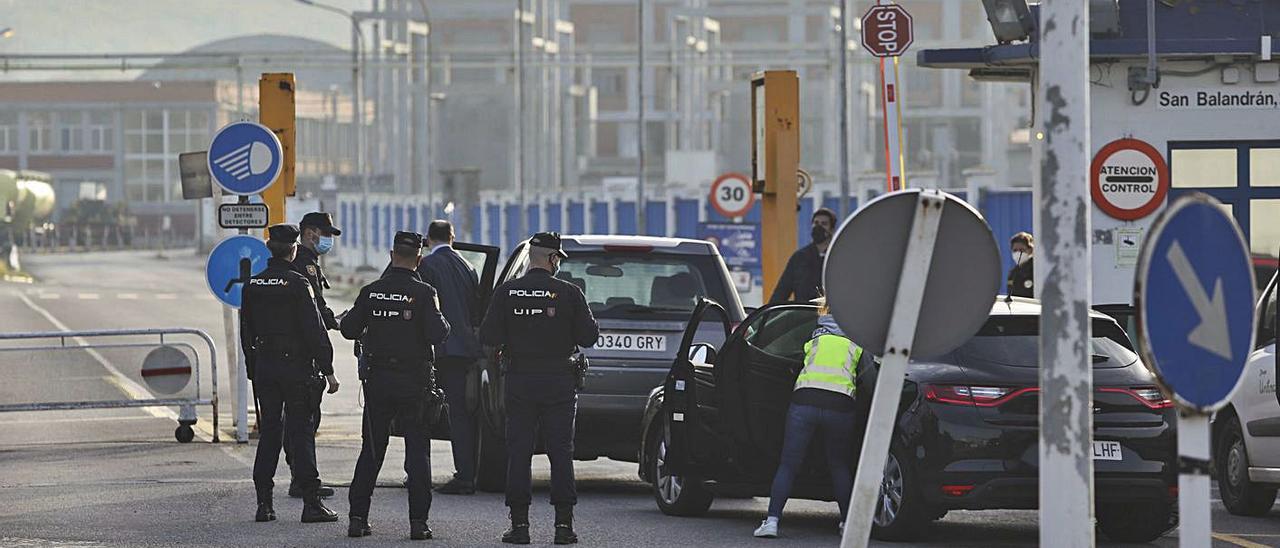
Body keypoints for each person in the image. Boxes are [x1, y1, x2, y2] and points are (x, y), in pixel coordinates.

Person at [479, 232, 600, 545]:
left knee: (518, 452)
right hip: (559, 382)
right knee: (561, 453)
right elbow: (588, 337)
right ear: (552, 259)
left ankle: (519, 527)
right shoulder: (570, 292)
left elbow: (488, 335)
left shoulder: (507, 292)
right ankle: (563, 527)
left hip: (519, 380)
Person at [341, 231, 451, 540]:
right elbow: (437, 334)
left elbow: (349, 329)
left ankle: (357, 519)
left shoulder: (371, 291)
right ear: (419, 258)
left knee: (372, 451)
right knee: (417, 453)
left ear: (392, 255)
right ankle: (418, 524)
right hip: (414, 384)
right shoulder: (425, 292)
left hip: (378, 382)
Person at [240, 223, 339, 524]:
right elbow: (314, 330)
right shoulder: (298, 284)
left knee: (270, 432)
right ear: (294, 249)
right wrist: (329, 369)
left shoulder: (252, 285)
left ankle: (264, 505)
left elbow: (246, 333)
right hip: (296, 368)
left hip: (266, 367)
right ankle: (311, 504)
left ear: (270, 249)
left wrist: (253, 368)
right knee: (301, 432)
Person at [754, 298, 874, 539]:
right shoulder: (857, 343)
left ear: (825, 313)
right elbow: (869, 382)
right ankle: (846, 524)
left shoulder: (814, 338)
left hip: (804, 404)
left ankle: (772, 522)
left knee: (788, 464)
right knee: (838, 465)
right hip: (840, 407)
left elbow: (795, 366)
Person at [417, 220, 485, 496]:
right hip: (464, 351)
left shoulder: (427, 267)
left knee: (421, 412)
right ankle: (466, 473)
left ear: (428, 239)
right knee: (461, 415)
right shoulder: (468, 267)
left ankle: (420, 474)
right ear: (452, 237)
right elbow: (475, 309)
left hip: (437, 351)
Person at [283, 211, 342, 499]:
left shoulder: (299, 263)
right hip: (303, 354)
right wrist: (335, 323)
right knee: (305, 419)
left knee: (292, 420)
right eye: (325, 233)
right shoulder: (305, 265)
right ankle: (303, 480)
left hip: (282, 356)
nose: (328, 239)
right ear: (309, 233)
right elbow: (314, 310)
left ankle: (297, 475)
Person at [769, 208, 838, 304]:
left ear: (832, 229)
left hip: (831, 316)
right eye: (816, 223)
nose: (819, 227)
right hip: (804, 316)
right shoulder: (799, 258)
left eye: (824, 224)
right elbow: (781, 292)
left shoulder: (838, 258)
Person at [1006, 231, 1035, 298]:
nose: (1018, 253)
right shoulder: (1013, 273)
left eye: (1022, 250)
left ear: (1030, 250)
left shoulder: (1035, 270)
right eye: (1015, 250)